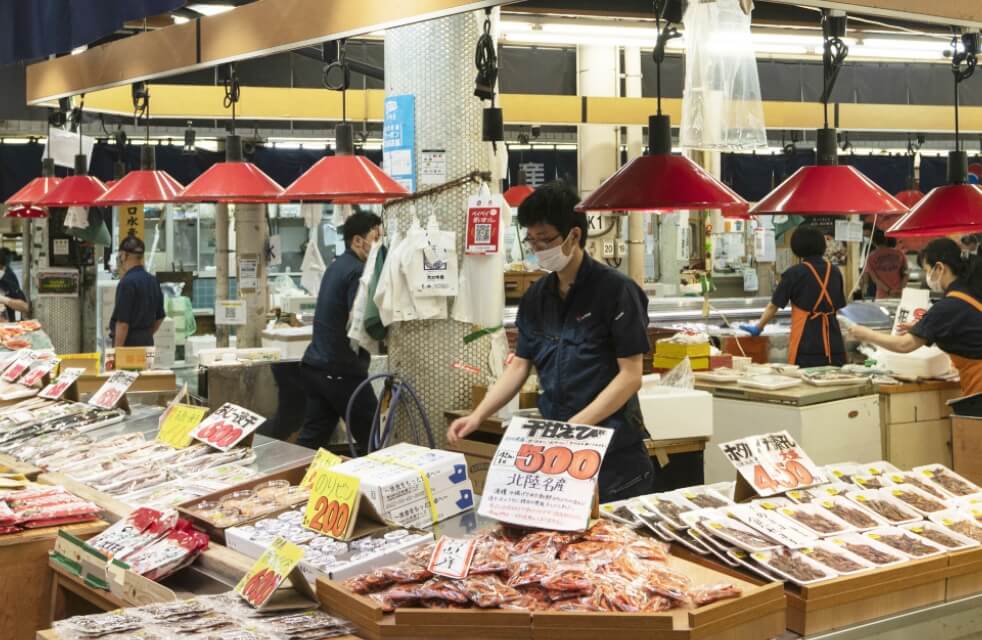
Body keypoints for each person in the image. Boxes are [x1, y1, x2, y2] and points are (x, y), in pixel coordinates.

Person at [447, 181, 655, 503]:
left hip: (614, 456)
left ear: (574, 235)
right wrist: (478, 415)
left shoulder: (617, 291)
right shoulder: (537, 296)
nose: (538, 249)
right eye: (531, 240)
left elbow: (630, 376)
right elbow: (519, 365)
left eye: (545, 240)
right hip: (560, 454)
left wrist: (572, 428)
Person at [849, 238, 982, 395]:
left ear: (939, 268)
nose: (927, 276)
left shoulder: (949, 305)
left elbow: (904, 345)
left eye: (927, 270)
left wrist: (866, 334)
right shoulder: (972, 292)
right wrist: (923, 328)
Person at [296, 211, 382, 453]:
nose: (378, 245)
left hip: (315, 367)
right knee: (374, 437)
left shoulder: (336, 265)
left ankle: (291, 484)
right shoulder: (357, 271)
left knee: (312, 440)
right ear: (357, 241)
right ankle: (370, 489)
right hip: (340, 370)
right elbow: (357, 320)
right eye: (375, 239)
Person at [742, 226, 847, 367]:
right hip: (834, 343)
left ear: (796, 248)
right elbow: (838, 306)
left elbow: (774, 305)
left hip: (807, 344)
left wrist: (758, 327)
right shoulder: (835, 271)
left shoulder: (794, 273)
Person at [109, 235, 165, 347]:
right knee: (146, 366)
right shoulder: (153, 281)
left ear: (124, 256)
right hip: (148, 343)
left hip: (128, 345)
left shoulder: (126, 283)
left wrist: (117, 352)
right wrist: (146, 335)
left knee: (128, 366)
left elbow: (123, 323)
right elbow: (160, 316)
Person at [860, 229, 909, 299]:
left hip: (882, 296)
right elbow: (906, 274)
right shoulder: (900, 254)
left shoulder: (871, 257)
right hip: (900, 295)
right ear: (886, 240)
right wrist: (899, 289)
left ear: (873, 242)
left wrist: (889, 291)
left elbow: (875, 279)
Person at [0, 249, 28, 321]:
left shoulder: (7, 279)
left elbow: (25, 307)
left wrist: (4, 299)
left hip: (7, 328)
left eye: (1, 268)